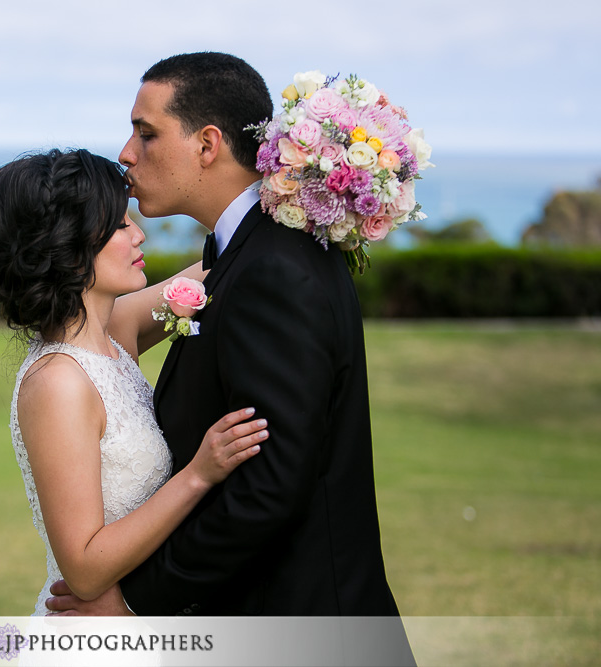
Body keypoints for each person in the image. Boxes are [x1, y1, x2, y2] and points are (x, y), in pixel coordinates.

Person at [45, 51, 413, 646]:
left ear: (207, 144)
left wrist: (137, 601)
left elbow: (269, 484)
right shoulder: (246, 256)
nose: (126, 154)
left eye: (147, 133)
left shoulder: (271, 270)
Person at [0, 148, 268, 615]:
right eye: (121, 225)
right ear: (68, 245)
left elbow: (223, 269)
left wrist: (300, 193)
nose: (139, 234)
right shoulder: (58, 383)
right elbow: (84, 567)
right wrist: (197, 476)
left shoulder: (116, 330)